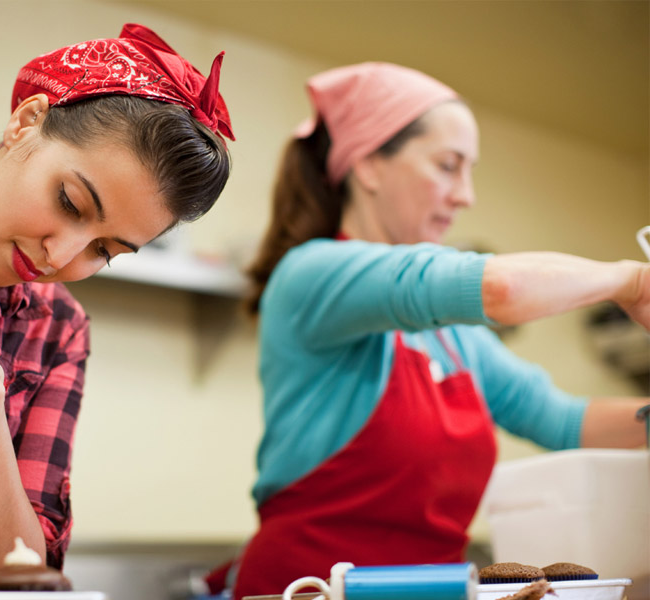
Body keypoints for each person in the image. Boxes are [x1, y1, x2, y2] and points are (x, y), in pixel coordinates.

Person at [215, 62, 647, 599]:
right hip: (311, 588)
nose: (465, 195)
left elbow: (562, 419)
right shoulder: (311, 273)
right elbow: (502, 291)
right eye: (448, 165)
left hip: (434, 590)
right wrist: (631, 280)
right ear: (369, 165)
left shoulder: (453, 338)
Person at [0, 23, 234, 570]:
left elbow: (16, 574)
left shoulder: (54, 330)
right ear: (26, 121)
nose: (60, 255)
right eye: (70, 202)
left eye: (103, 249)